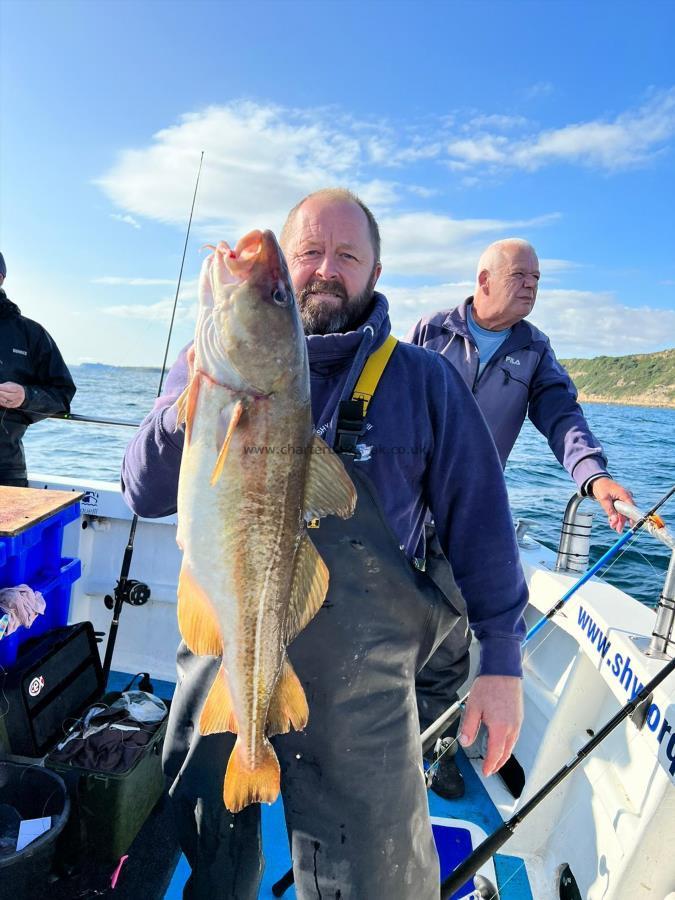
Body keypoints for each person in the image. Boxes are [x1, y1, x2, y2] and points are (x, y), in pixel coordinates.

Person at [121, 190, 529, 900]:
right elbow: (142, 493)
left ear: (374, 270)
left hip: (364, 678)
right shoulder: (206, 367)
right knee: (207, 847)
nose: (322, 270)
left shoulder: (426, 381)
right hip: (226, 645)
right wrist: (183, 408)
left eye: (346, 255)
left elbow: (483, 525)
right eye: (305, 254)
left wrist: (499, 660)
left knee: (377, 876)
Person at [407, 237, 634, 800]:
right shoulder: (430, 331)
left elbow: (562, 415)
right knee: (378, 625)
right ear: (483, 280)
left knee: (449, 642)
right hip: (404, 506)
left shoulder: (534, 350)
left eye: (537, 277)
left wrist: (593, 476)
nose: (533, 285)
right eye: (521, 275)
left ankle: (432, 751)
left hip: (467, 515)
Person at [0, 251, 76, 487]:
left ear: (1, 277)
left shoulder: (30, 334)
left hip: (5, 471)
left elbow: (62, 396)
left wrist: (26, 397)